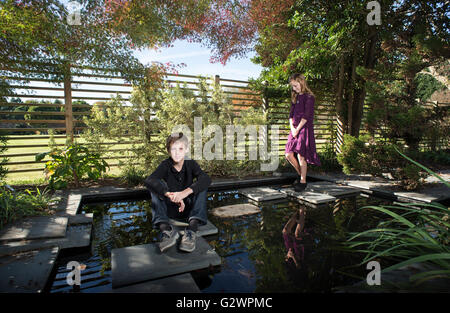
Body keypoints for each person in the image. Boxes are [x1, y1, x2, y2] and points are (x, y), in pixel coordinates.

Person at [144, 132, 211, 253]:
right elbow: (149, 180)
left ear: (186, 150)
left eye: (180, 148)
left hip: (190, 210)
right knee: (156, 186)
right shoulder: (165, 165)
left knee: (201, 184)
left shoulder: (191, 164)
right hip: (171, 208)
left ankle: (191, 232)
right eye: (173, 149)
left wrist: (184, 193)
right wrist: (169, 194)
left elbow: (206, 179)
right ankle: (166, 231)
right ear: (168, 151)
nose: (177, 152)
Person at [284, 73, 321, 192]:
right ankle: (301, 175)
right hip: (294, 129)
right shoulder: (295, 98)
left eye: (296, 85)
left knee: (301, 155)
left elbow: (306, 115)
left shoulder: (309, 97)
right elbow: (290, 115)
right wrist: (292, 129)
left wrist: (297, 129)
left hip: (304, 128)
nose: (294, 88)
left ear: (302, 82)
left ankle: (303, 181)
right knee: (288, 154)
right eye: (293, 87)